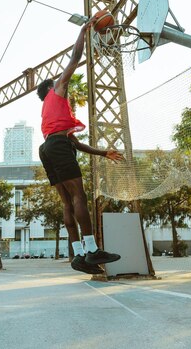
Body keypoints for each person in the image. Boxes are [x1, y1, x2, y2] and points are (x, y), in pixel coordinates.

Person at [37, 19, 124, 275]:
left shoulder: (48, 113)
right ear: (52, 87)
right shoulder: (57, 92)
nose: (63, 82)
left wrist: (103, 153)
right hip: (57, 147)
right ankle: (93, 249)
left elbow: (75, 143)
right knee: (79, 196)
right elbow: (74, 59)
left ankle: (78, 254)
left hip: (47, 148)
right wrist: (83, 32)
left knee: (66, 201)